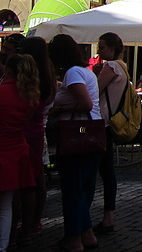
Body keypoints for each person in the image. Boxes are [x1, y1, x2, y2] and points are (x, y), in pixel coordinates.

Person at [48, 34, 102, 252]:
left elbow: (86, 104)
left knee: (72, 188)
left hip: (77, 134)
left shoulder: (72, 73)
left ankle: (74, 238)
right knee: (83, 187)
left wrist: (59, 109)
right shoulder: (84, 72)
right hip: (92, 134)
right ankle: (86, 233)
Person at [16, 37, 56, 246]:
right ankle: (34, 222)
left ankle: (25, 225)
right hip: (39, 129)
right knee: (36, 178)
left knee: (24, 181)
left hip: (25, 129)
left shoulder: (29, 71)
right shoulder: (48, 70)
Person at [0, 54, 38, 252]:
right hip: (16, 149)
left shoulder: (2, 91)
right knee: (6, 205)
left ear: (8, 70)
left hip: (3, 148)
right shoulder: (29, 96)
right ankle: (3, 245)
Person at [93, 32, 127, 236]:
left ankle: (104, 219)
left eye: (103, 46)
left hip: (101, 122)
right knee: (108, 171)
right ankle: (108, 216)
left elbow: (94, 90)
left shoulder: (112, 67)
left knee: (99, 171)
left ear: (113, 48)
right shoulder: (123, 67)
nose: (99, 50)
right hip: (111, 122)